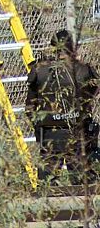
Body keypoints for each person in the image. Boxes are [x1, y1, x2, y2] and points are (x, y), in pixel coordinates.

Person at [27, 29, 98, 180]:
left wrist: (39, 125)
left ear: (53, 47)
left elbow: (30, 106)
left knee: (47, 185)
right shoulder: (84, 69)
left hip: (50, 134)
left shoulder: (40, 70)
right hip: (78, 133)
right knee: (84, 184)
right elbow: (92, 96)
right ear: (72, 47)